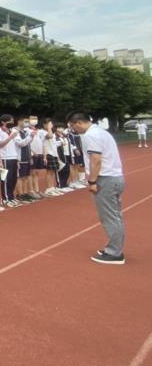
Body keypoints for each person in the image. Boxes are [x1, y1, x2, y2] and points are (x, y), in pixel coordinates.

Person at [67, 111, 126, 265]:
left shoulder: (90, 136)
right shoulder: (102, 132)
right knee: (115, 215)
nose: (74, 130)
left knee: (109, 217)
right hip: (115, 177)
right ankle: (114, 248)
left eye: (73, 126)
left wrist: (92, 181)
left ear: (79, 122)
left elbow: (96, 160)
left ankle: (114, 253)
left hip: (105, 179)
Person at [0, 114, 30, 208]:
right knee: (6, 179)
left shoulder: (13, 130)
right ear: (3, 122)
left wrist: (17, 159)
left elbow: (19, 144)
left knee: (13, 179)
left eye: (13, 121)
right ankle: (5, 199)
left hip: (14, 157)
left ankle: (11, 197)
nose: (12, 123)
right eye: (10, 121)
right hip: (5, 158)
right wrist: (10, 137)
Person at [28, 115, 47, 196]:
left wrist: (44, 155)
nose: (34, 120)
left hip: (39, 153)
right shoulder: (26, 130)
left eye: (36, 119)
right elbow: (26, 143)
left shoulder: (39, 131)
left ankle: (37, 189)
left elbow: (43, 143)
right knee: (30, 173)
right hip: (32, 154)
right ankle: (31, 190)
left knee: (36, 173)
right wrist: (31, 152)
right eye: (32, 119)